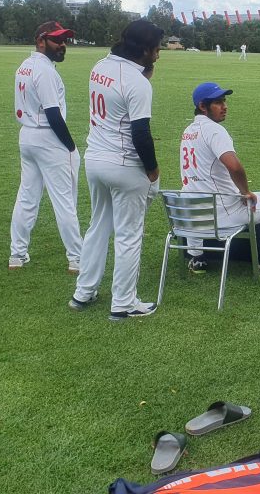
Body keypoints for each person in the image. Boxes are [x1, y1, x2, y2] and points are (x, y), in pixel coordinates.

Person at [71, 20, 163, 320]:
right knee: (129, 235)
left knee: (98, 226)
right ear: (144, 50)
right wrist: (152, 169)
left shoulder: (100, 66)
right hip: (125, 164)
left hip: (95, 159)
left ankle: (83, 291)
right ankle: (123, 303)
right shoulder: (137, 84)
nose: (159, 54)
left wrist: (145, 71)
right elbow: (141, 133)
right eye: (157, 49)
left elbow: (130, 79)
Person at [179, 82, 260, 277]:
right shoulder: (214, 130)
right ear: (202, 106)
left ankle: (197, 258)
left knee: (194, 191)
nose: (225, 106)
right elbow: (234, 166)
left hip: (189, 217)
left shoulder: (188, 130)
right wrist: (245, 192)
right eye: (218, 102)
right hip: (220, 216)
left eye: (224, 101)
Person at [9, 21, 83, 272]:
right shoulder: (45, 71)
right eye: (57, 40)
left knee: (27, 197)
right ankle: (76, 257)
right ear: (41, 41)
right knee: (64, 201)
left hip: (27, 135)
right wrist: (70, 146)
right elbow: (53, 114)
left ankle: (17, 255)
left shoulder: (25, 66)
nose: (63, 46)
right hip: (48, 137)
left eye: (64, 41)